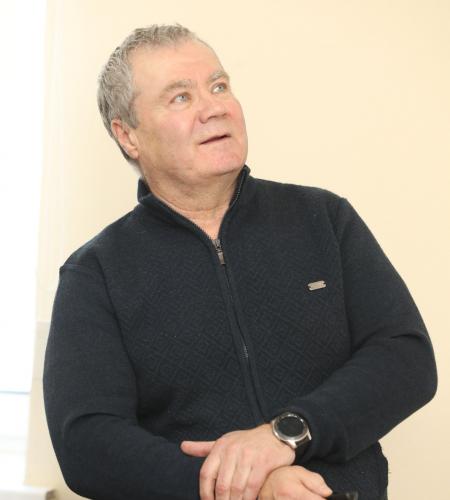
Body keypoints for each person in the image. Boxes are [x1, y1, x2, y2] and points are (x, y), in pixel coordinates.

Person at [43, 24, 437, 500]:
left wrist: (284, 435)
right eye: (181, 97)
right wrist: (242, 484)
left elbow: (405, 357)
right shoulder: (95, 273)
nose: (215, 107)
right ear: (128, 136)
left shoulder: (324, 218)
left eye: (219, 86)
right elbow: (86, 442)